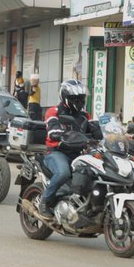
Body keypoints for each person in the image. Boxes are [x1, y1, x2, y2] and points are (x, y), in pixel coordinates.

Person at [39, 79, 102, 218]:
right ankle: (45, 201)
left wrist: (104, 133)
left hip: (79, 153)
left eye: (82, 98)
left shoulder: (84, 115)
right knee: (63, 173)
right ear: (66, 97)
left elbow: (96, 131)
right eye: (76, 98)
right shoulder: (54, 111)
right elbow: (52, 128)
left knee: (98, 173)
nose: (80, 101)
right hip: (57, 152)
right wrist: (57, 133)